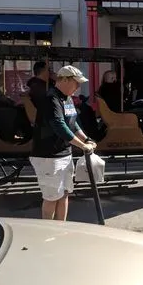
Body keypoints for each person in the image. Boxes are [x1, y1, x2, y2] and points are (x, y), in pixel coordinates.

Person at [29, 65, 96, 221]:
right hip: (48, 156)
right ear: (65, 79)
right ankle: (49, 230)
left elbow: (73, 123)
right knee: (52, 197)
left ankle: (61, 227)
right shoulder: (51, 98)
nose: (78, 87)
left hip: (64, 154)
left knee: (64, 193)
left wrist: (86, 139)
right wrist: (82, 145)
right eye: (76, 83)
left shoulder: (67, 98)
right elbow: (59, 125)